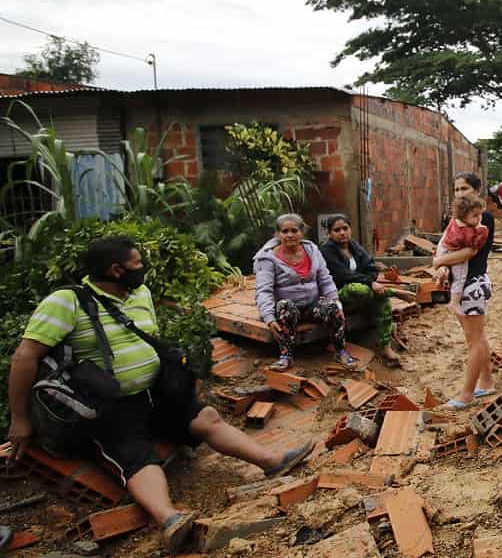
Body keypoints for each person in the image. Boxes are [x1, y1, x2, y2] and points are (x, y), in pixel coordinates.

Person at [6, 237, 313, 553]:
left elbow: (146, 338)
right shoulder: (66, 302)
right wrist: (20, 419)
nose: (142, 269)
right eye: (137, 263)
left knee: (205, 416)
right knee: (134, 454)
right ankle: (169, 518)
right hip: (106, 406)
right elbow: (24, 357)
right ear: (115, 270)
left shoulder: (139, 294)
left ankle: (272, 462)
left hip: (152, 394)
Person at [254, 214, 354, 371]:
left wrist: (335, 300)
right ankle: (286, 356)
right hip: (288, 308)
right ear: (278, 234)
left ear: (302, 232)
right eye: (285, 231)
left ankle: (340, 350)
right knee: (284, 306)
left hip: (311, 306)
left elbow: (325, 278)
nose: (290, 235)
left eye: (294, 230)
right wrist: (268, 317)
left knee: (333, 307)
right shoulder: (267, 258)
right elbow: (263, 290)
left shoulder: (312, 250)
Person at [432, 172, 496, 409]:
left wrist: (439, 263)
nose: (460, 193)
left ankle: (466, 395)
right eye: (457, 189)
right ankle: (487, 383)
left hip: (473, 283)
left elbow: (469, 253)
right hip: (467, 283)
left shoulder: (482, 217)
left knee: (474, 342)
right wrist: (442, 264)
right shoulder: (458, 218)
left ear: (477, 191)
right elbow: (447, 246)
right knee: (478, 337)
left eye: (465, 189)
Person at [319, 214, 413, 367]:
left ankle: (385, 347)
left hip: (363, 294)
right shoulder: (326, 251)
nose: (342, 232)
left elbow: (371, 268)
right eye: (337, 230)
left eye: (345, 228)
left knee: (380, 297)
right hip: (339, 298)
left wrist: (371, 281)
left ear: (351, 229)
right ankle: (393, 292)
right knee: (360, 289)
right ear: (330, 234)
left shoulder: (355, 247)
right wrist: (370, 282)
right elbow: (343, 276)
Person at [437, 194, 490, 316]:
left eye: (480, 215)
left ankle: (442, 276)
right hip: (453, 251)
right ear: (464, 216)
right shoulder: (465, 230)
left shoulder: (455, 221)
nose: (479, 219)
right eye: (475, 216)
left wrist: (439, 262)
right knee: (460, 277)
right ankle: (454, 302)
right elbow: (473, 246)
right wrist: (481, 230)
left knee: (445, 271)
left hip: (444, 247)